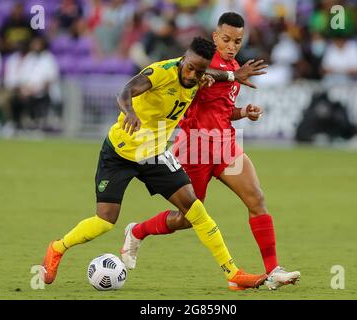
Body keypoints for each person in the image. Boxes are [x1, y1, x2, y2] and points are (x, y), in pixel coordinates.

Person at [41, 37, 267, 291]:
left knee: (196, 212)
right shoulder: (161, 73)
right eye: (190, 67)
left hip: (154, 154)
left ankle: (233, 274)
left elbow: (214, 74)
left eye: (200, 71)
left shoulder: (201, 77)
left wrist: (233, 76)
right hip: (119, 153)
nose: (192, 75)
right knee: (105, 220)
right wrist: (130, 112)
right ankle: (57, 248)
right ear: (183, 59)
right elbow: (124, 91)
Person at [121, 12, 300, 291]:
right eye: (226, 39)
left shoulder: (236, 67)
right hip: (195, 147)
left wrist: (245, 112)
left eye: (237, 41)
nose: (231, 46)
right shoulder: (200, 66)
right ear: (215, 36)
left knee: (256, 198)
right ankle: (136, 231)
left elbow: (223, 112)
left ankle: (273, 270)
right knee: (188, 219)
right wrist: (211, 79)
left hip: (225, 143)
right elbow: (191, 86)